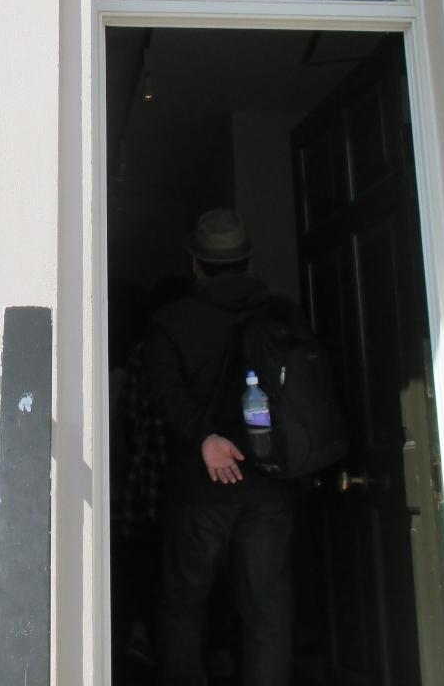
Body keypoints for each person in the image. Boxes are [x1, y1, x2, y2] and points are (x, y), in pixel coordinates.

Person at [143, 209, 302, 686]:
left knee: (184, 603)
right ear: (248, 260)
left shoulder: (172, 321)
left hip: (201, 485)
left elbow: (165, 395)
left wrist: (204, 438)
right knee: (267, 607)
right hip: (271, 479)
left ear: (196, 265)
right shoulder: (282, 315)